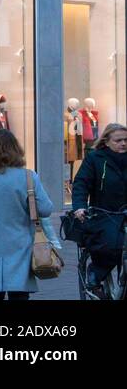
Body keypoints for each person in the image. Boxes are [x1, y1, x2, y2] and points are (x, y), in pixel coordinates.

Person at [0, 129, 54, 300]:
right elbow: (45, 209)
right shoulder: (28, 177)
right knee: (19, 293)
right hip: (20, 243)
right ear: (15, 149)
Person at [71, 122, 127, 290]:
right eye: (118, 140)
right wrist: (79, 206)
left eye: (126, 140)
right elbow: (81, 184)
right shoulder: (95, 158)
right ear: (106, 141)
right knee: (110, 245)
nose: (123, 143)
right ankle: (96, 272)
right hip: (104, 213)